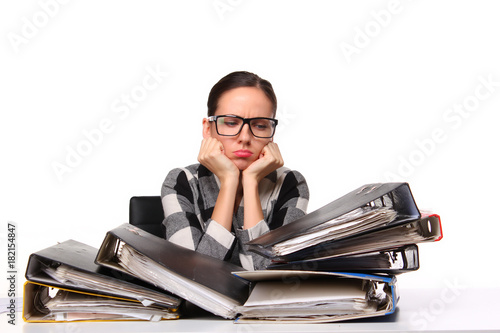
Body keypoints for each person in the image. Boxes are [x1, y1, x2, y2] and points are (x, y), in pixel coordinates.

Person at [161, 71, 309, 270]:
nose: (245, 137)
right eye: (231, 123)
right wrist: (229, 180)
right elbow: (193, 275)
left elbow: (272, 273)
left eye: (260, 125)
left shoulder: (291, 184)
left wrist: (251, 182)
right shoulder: (181, 181)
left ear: (271, 134)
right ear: (208, 129)